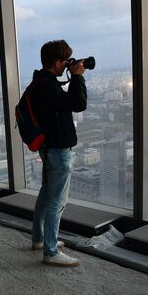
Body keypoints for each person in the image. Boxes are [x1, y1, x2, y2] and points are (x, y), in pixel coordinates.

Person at [30, 40, 87, 267]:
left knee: (46, 195)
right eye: (65, 61)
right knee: (57, 201)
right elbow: (78, 103)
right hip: (58, 150)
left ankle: (39, 239)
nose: (67, 65)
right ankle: (50, 252)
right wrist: (78, 77)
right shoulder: (48, 86)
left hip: (48, 148)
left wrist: (72, 75)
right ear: (57, 62)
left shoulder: (41, 81)